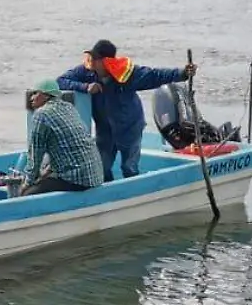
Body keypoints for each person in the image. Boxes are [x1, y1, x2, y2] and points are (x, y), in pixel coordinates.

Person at [57, 39, 195, 180]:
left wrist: (183, 73)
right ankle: (107, 195)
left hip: (130, 128)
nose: (92, 61)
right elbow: (60, 81)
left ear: (106, 61)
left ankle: (133, 191)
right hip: (105, 130)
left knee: (129, 167)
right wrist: (85, 87)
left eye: (96, 59)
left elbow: (155, 75)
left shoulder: (128, 74)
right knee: (101, 168)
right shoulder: (85, 72)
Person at [21, 79, 103, 196]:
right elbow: (65, 146)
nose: (31, 98)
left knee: (27, 194)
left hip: (78, 180)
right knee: (44, 178)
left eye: (35, 93)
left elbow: (35, 156)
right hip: (95, 176)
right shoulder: (68, 107)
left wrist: (26, 183)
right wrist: (46, 172)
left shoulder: (41, 114)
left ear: (45, 96)